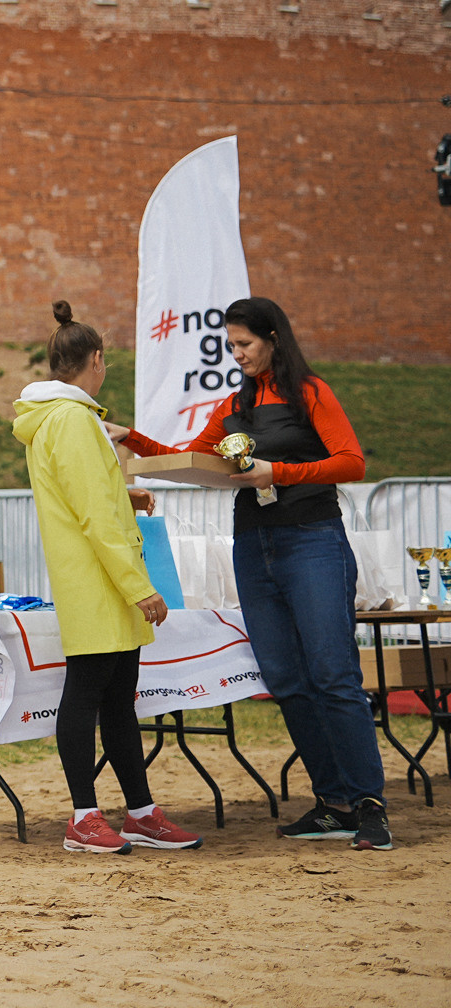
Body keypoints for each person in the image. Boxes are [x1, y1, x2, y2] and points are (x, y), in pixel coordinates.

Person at [108, 295, 388, 851]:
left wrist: (276, 471)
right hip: (253, 546)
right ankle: (333, 803)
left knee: (333, 675)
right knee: (286, 679)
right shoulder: (233, 406)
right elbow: (192, 458)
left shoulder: (310, 392)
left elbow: (352, 462)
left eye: (244, 344)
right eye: (230, 346)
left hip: (313, 541)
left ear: (273, 338)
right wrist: (133, 440)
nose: (236, 354)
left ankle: (370, 804)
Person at [12, 302, 203, 854]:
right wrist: (138, 585)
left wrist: (126, 493)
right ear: (96, 359)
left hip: (98, 577)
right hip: (101, 580)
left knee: (118, 699)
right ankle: (83, 816)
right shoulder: (73, 419)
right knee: (89, 695)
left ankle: (139, 812)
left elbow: (89, 496)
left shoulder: (60, 418)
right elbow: (93, 511)